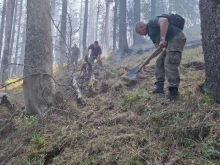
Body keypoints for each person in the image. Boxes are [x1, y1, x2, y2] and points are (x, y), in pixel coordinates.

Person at [135, 16, 186, 100]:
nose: (140, 34)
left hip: (176, 37)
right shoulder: (151, 35)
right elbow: (159, 49)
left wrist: (162, 38)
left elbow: (164, 21)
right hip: (170, 43)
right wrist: (148, 60)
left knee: (169, 63)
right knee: (159, 63)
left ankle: (173, 91)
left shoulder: (151, 22)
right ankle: (159, 87)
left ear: (141, 26)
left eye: (138, 32)